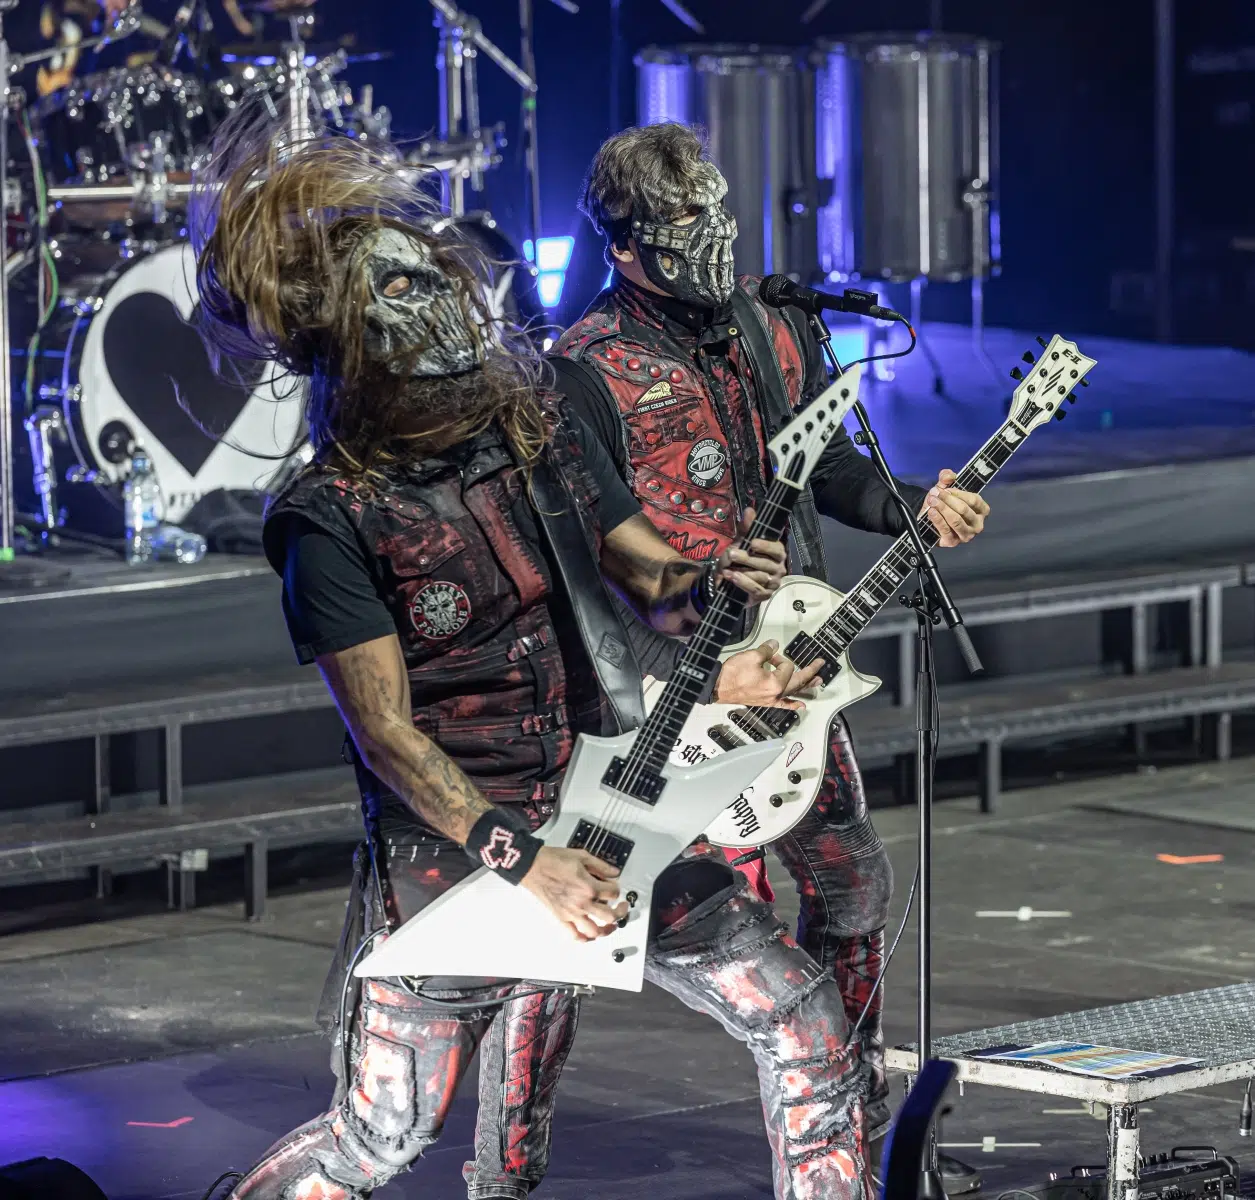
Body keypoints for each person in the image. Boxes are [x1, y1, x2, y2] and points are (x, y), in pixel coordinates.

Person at [192, 102, 877, 1200]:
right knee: (379, 1138)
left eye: (436, 270)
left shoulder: (531, 432)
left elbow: (638, 588)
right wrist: (525, 861)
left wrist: (717, 620)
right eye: (404, 284)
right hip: (463, 857)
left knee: (801, 1019)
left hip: (609, 814)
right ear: (354, 337)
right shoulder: (330, 517)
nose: (446, 294)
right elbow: (387, 736)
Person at [465, 122, 992, 1197]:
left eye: (716, 217)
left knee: (853, 886)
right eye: (681, 231)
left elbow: (832, 466)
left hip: (790, 680)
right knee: (565, 951)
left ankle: (851, 1132)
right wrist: (698, 640)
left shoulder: (777, 323)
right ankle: (503, 1176)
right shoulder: (580, 372)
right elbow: (594, 559)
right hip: (657, 701)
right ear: (623, 244)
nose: (709, 244)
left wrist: (912, 505)